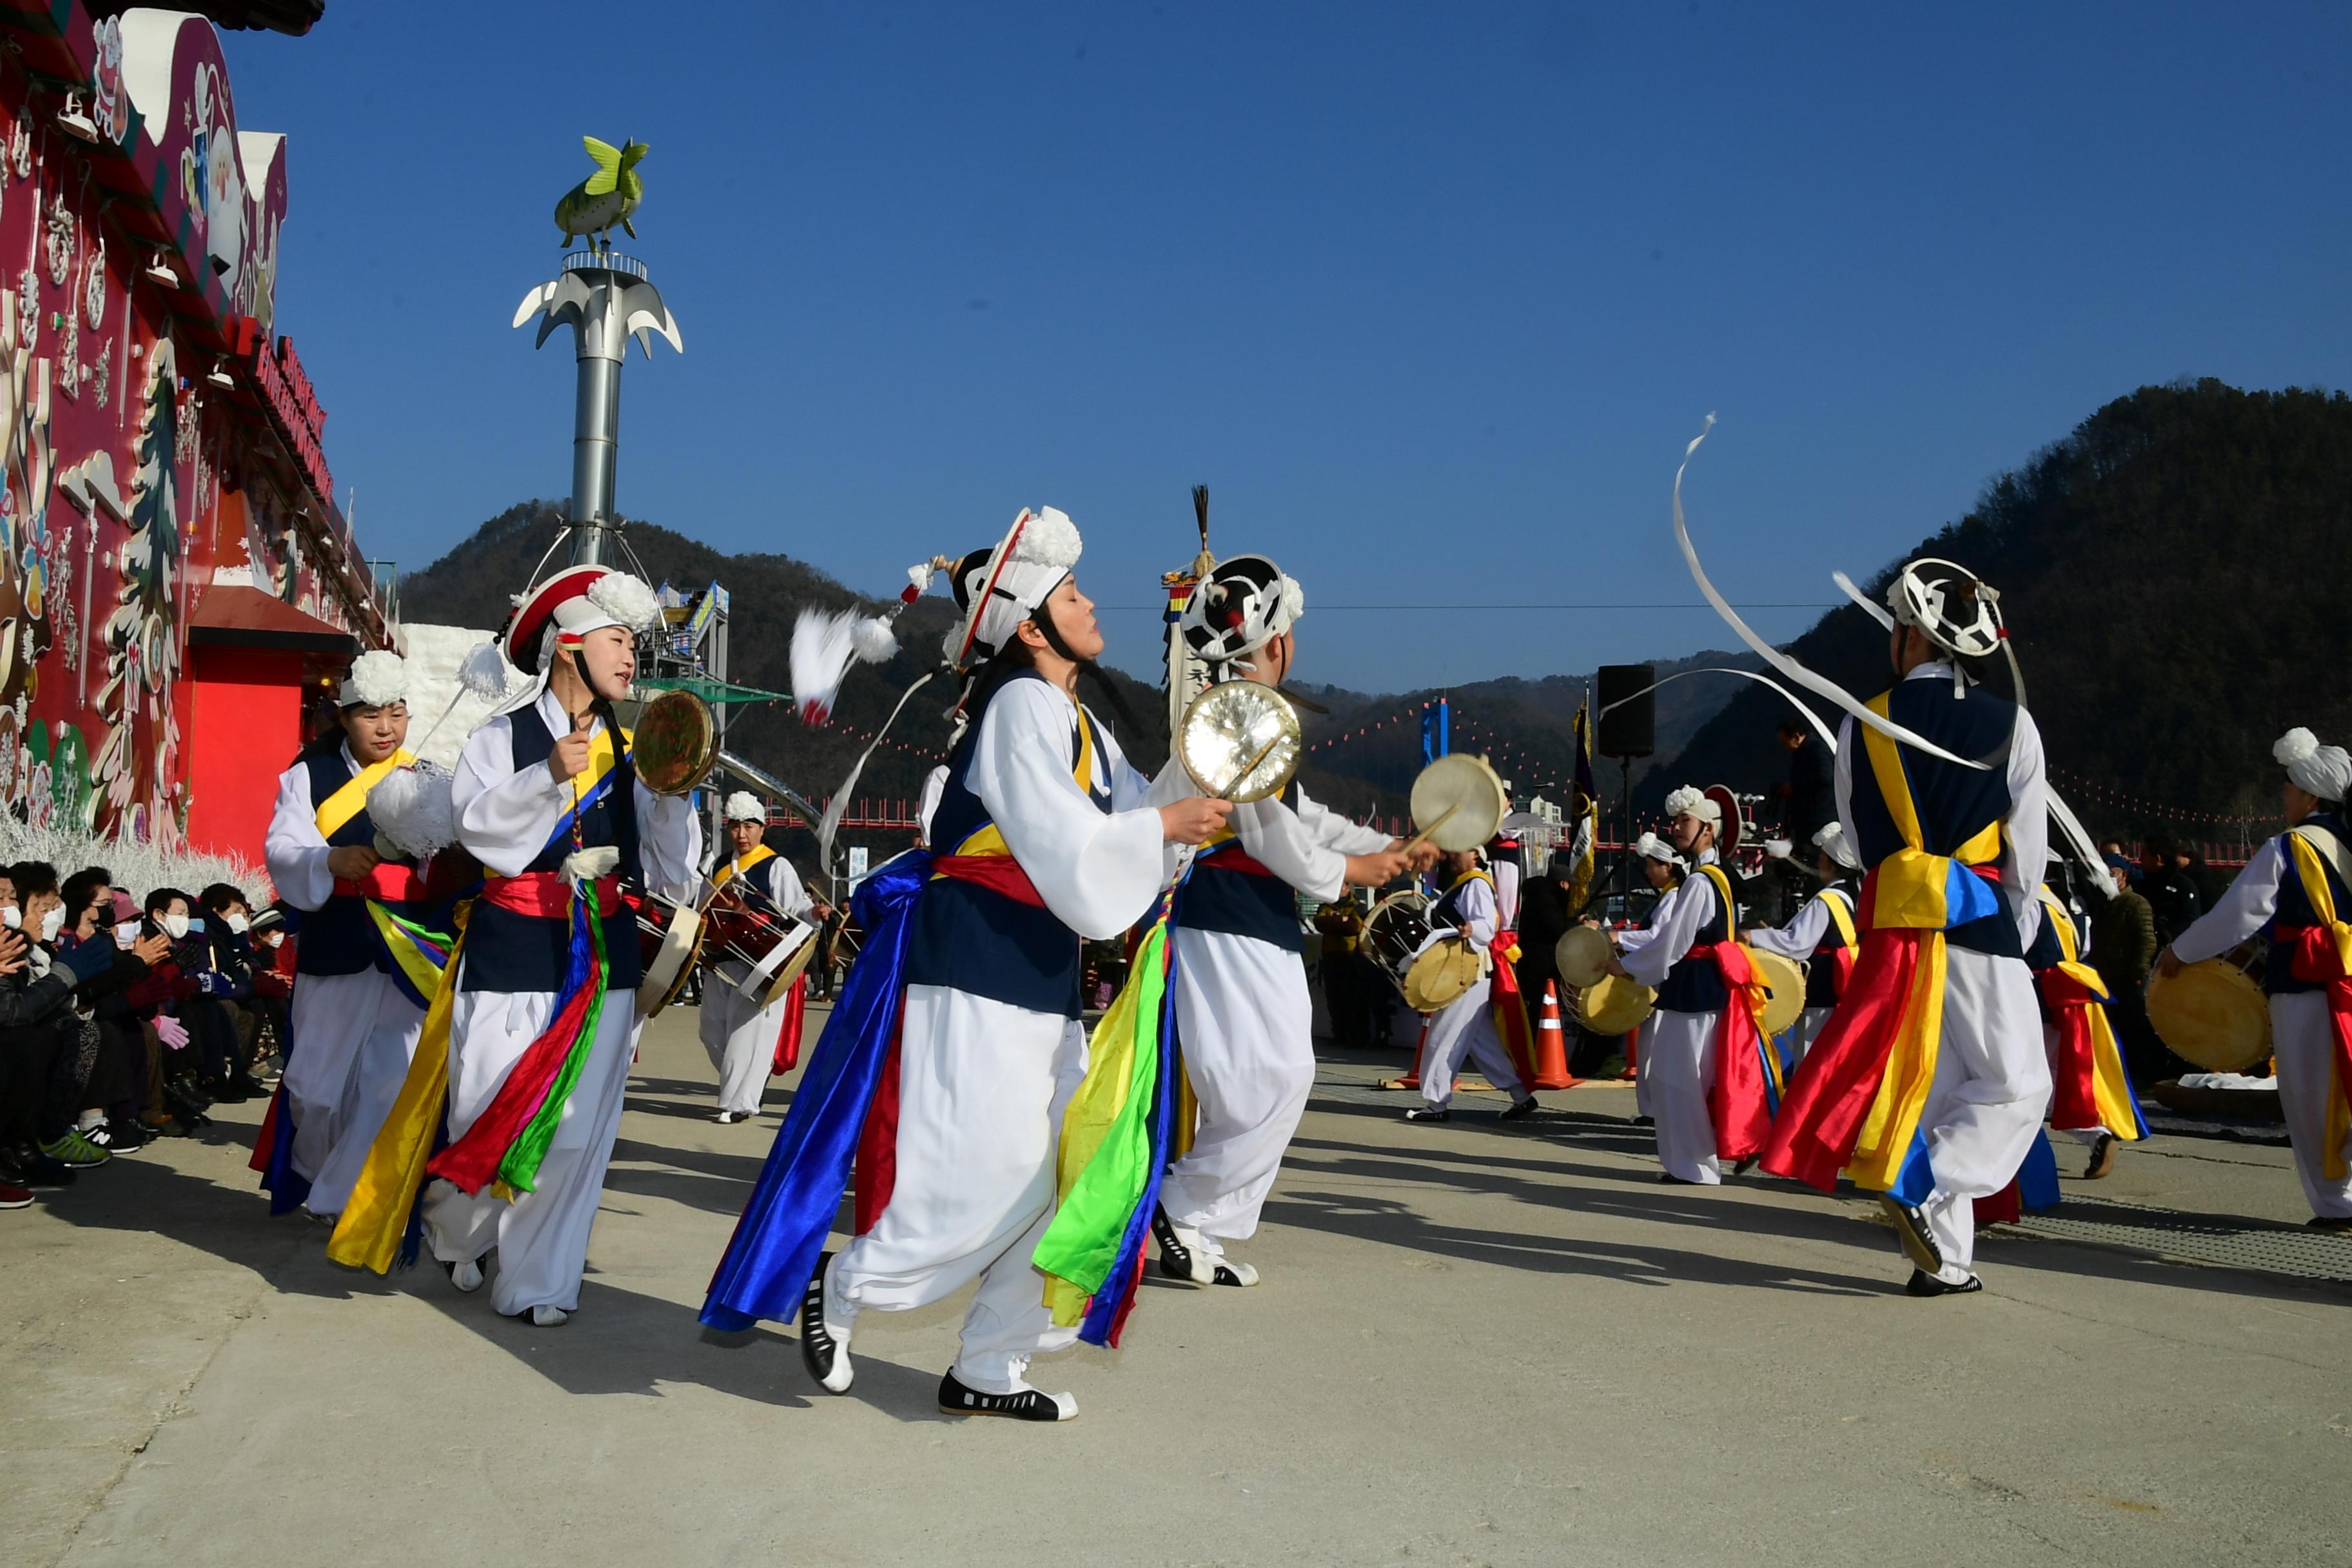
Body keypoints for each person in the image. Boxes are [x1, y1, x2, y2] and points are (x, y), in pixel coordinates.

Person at [701, 506, 1228, 1421]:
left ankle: (991, 1363)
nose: (1091, 601)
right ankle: (848, 1283)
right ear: (1030, 624)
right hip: (977, 966)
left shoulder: (1076, 718)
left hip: (1035, 972)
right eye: (1072, 593)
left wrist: (1200, 765)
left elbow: (1134, 813)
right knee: (981, 1175)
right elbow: (1068, 841)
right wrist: (1159, 829)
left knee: (1062, 1176)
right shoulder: (1020, 702)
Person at [418, 565, 703, 1324]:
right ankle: (455, 1229)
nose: (630, 657)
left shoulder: (633, 747)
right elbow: (475, 827)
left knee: (575, 1132)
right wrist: (545, 774)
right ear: (569, 645)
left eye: (634, 645)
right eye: (618, 640)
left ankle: (539, 1281)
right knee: (488, 1111)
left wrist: (672, 795)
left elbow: (672, 867)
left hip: (599, 953)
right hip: (513, 945)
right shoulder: (499, 738)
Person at [1760, 559, 2052, 1297]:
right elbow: (2029, 848)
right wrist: (2012, 928)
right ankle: (1925, 1182)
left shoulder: (1865, 720)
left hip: (1899, 925)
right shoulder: (2012, 723)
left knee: (1935, 1085)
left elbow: (1859, 843)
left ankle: (1947, 1260)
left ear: (1909, 635)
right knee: (2016, 1086)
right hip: (1979, 920)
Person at [1146, 553, 1418, 1286]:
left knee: (1273, 1078)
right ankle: (1181, 1207)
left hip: (1248, 920)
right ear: (1278, 642)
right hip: (1224, 918)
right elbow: (1270, 832)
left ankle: (1199, 1223)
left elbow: (1302, 817)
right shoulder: (1236, 718)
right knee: (1263, 1079)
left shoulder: (1246, 715)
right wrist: (1354, 873)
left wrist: (1383, 846)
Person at [261, 650, 442, 1222]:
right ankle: (320, 1172)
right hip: (335, 941)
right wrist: (329, 859)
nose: (386, 728)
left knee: (389, 1083)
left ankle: (348, 1198)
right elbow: (282, 851)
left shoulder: (427, 778)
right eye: (370, 715)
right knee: (314, 1092)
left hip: (406, 953)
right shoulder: (307, 776)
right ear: (342, 717)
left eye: (396, 713)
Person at [2160, 729, 2352, 1233]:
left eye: (2289, 788)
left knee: (2310, 1095)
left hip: (2309, 985)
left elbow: (2239, 914)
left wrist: (2180, 952)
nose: (2284, 796)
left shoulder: (2289, 846)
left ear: (2310, 794)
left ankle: (2338, 1205)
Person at [1611, 787, 1774, 1183]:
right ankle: (1698, 1162)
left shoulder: (1701, 882)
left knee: (1678, 1078)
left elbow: (1674, 940)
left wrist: (1629, 967)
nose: (1677, 828)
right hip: (1706, 986)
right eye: (1677, 822)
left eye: (1685, 822)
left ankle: (1696, 1166)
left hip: (1695, 988)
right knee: (1688, 1077)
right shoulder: (1717, 876)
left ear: (1708, 830)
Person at [699, 791, 823, 1124]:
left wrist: (814, 912)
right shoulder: (719, 864)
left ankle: (738, 1103)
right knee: (711, 1031)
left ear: (762, 828)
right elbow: (702, 906)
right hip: (722, 957)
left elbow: (796, 908)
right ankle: (750, 1077)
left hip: (760, 960)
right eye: (736, 826)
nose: (742, 834)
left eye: (749, 827)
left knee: (745, 1033)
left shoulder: (776, 865)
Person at [1404, 846, 1540, 1124]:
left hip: (1465, 974)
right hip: (1468, 972)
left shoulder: (1476, 883)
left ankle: (1436, 1104)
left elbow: (1486, 925)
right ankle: (1521, 1095)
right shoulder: (1466, 884)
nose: (1453, 857)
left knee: (1444, 1037)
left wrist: (1472, 929)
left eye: (1459, 852)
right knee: (1480, 1041)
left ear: (1476, 856)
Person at [2026, 876, 2143, 1179]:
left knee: (2030, 1078)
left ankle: (2031, 1157)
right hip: (2071, 989)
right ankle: (2096, 1135)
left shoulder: (2026, 901)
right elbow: (2084, 948)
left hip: (2038, 993)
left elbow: (2015, 947)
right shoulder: (2070, 905)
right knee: (2056, 1074)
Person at [1744, 820, 1863, 1065]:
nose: (1818, 862)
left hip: (1821, 992)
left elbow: (1799, 943)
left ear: (1831, 863)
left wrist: (1753, 936)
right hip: (1841, 989)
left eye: (1822, 857)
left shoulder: (1827, 899)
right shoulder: (1852, 897)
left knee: (1811, 1061)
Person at [2086, 852, 2162, 1083]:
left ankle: (2142, 1077)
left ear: (2124, 875)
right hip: (2106, 976)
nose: (2107, 880)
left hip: (2129, 977)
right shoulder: (2102, 903)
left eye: (2112, 874)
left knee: (2134, 1029)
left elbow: (2147, 939)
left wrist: (2140, 971)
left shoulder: (2136, 903)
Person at [1776, 719, 1835, 851]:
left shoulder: (1817, 751)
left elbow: (1825, 777)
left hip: (1818, 820)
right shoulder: (1803, 753)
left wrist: (1795, 787)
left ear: (1796, 737)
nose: (1785, 748)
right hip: (1806, 820)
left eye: (1786, 743)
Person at [2141, 836, 2204, 944]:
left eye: (2144, 855)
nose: (2140, 860)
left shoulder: (2184, 887)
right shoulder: (2141, 884)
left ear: (2158, 859)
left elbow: (2189, 922)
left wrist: (2163, 935)